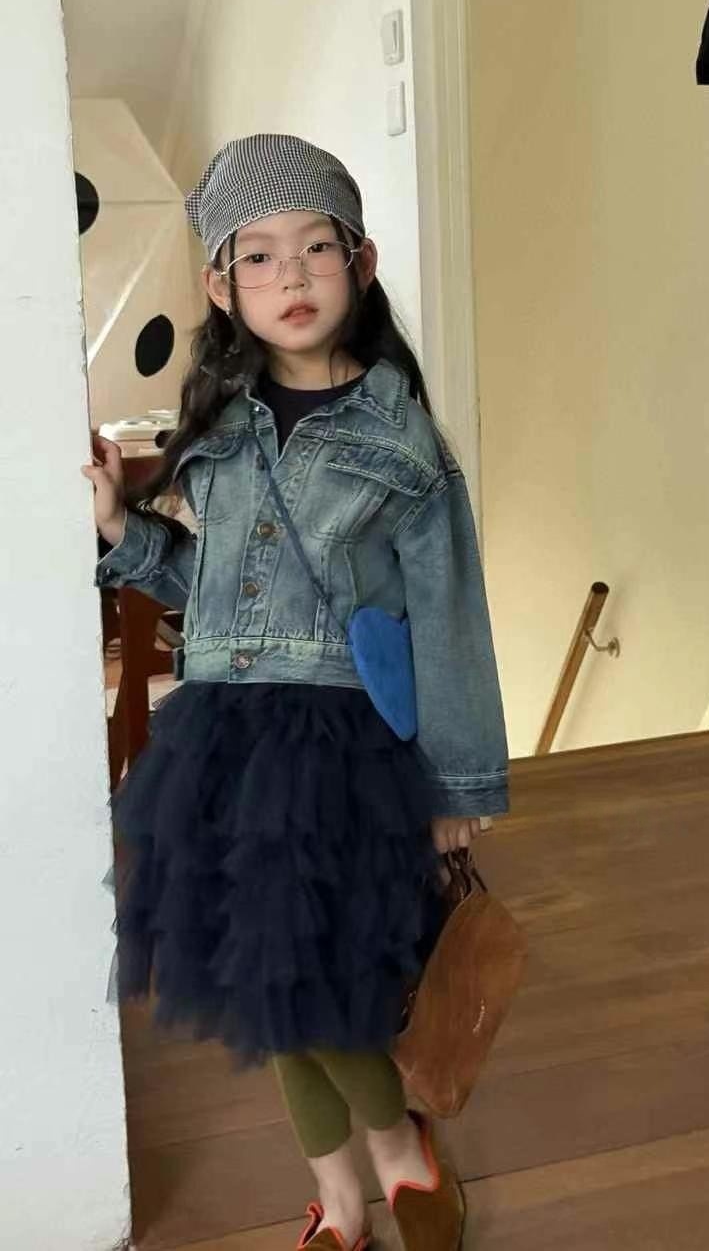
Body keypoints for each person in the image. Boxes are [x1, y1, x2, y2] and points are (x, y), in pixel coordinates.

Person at [84, 134, 509, 1251]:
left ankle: (402, 1152)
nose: (293, 277)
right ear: (223, 286)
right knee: (264, 982)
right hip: (220, 739)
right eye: (261, 256)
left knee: (318, 985)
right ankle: (345, 1200)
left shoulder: (400, 438)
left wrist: (457, 783)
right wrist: (126, 533)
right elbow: (209, 590)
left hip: (340, 744)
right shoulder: (218, 430)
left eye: (316, 248)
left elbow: (450, 617)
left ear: (360, 264)